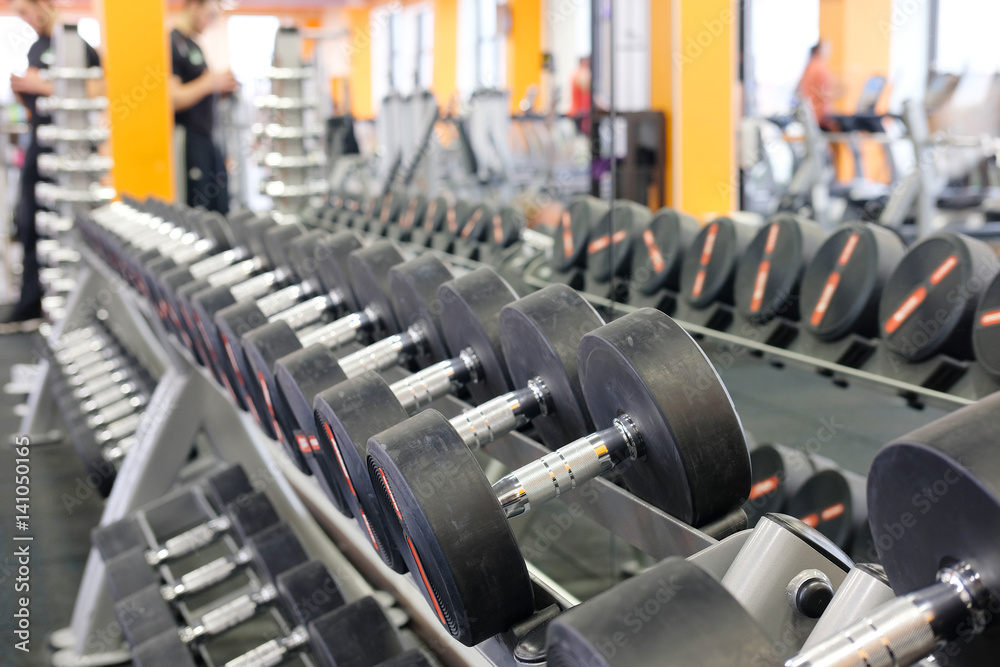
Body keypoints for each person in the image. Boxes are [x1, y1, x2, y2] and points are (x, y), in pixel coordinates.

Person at [7, 0, 101, 325]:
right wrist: (23, 91)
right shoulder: (37, 47)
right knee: (30, 222)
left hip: (70, 146)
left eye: (28, 11)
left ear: (44, 5)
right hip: (41, 145)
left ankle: (79, 308)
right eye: (20, 15)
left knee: (75, 226)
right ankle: (32, 305)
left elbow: (95, 87)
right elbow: (32, 95)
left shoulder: (74, 43)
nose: (27, 19)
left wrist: (43, 86)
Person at [171, 0, 237, 215]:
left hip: (208, 137)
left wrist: (220, 88)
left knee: (219, 203)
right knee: (198, 207)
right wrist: (209, 83)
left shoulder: (194, 45)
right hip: (189, 139)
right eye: (208, 15)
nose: (210, 22)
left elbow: (202, 90)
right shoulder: (172, 42)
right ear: (194, 7)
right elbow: (173, 98)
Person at [798, 41, 840, 131]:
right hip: (822, 118)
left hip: (810, 117)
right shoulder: (820, 68)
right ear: (821, 50)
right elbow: (826, 94)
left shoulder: (809, 67)